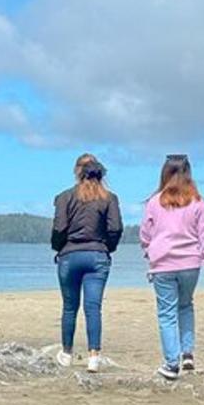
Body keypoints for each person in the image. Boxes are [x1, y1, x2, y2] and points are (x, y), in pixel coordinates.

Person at [139, 154, 204, 380]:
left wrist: (150, 251)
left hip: (162, 265)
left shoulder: (155, 202)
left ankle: (171, 364)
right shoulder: (198, 202)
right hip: (190, 264)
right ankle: (187, 354)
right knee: (185, 306)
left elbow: (145, 234)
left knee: (166, 314)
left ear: (165, 173)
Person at [51, 153, 123, 372]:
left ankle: (67, 353)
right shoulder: (109, 198)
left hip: (70, 255)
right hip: (97, 255)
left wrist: (59, 247)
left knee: (70, 307)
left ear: (77, 171)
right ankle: (93, 355)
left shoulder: (65, 197)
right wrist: (107, 247)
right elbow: (115, 228)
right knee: (93, 308)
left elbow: (59, 228)